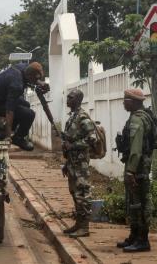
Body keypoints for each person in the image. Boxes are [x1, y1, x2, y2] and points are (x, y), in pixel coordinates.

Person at [116, 88, 153, 252]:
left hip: (137, 166)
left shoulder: (137, 120)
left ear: (133, 102)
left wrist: (130, 171)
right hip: (137, 165)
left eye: (126, 100)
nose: (124, 102)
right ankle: (134, 235)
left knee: (140, 202)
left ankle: (143, 240)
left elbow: (136, 149)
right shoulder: (137, 116)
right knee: (133, 202)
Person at [57, 89, 96, 238]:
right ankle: (78, 224)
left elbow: (92, 140)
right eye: (67, 97)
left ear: (78, 100)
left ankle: (84, 227)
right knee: (74, 192)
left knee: (82, 193)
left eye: (71, 97)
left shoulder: (82, 117)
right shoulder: (72, 117)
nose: (68, 99)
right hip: (72, 162)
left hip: (81, 163)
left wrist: (72, 146)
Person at [0, 62, 46, 151]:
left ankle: (12, 131)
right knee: (29, 114)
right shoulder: (16, 85)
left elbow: (32, 76)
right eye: (35, 79)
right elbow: (10, 110)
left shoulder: (23, 67)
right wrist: (8, 136)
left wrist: (40, 83)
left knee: (26, 104)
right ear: (29, 76)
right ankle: (17, 138)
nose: (36, 81)